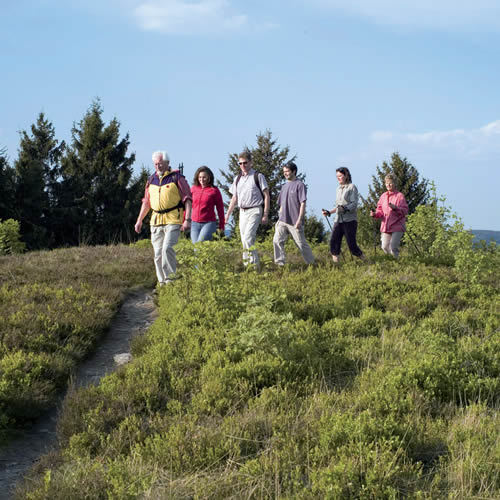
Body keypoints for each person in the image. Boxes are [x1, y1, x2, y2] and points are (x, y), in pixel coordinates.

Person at [134, 151, 192, 285]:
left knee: (168, 249)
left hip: (173, 219)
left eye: (160, 163)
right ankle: (162, 284)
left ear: (167, 163)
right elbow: (146, 202)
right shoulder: (151, 180)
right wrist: (139, 220)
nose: (158, 166)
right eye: (155, 164)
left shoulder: (177, 178)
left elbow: (188, 200)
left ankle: (170, 280)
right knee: (158, 254)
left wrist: (187, 219)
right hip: (155, 221)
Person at [225, 151, 270, 267]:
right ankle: (247, 266)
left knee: (248, 237)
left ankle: (255, 266)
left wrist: (265, 214)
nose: (243, 166)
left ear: (251, 162)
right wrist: (227, 215)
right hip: (242, 211)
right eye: (240, 164)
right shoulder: (237, 178)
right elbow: (234, 198)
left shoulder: (258, 176)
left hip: (255, 209)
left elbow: (266, 195)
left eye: (245, 163)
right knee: (244, 240)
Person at [273, 161, 315, 266]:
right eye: (284, 171)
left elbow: (302, 203)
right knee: (277, 241)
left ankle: (312, 265)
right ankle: (280, 264)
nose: (285, 173)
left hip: (295, 221)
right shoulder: (284, 186)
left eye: (287, 171)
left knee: (301, 244)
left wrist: (299, 220)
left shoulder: (300, 185)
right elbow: (281, 204)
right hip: (282, 220)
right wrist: (279, 218)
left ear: (294, 171)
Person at [322, 167, 365, 263]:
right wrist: (329, 212)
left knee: (352, 246)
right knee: (333, 242)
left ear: (346, 175)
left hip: (350, 220)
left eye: (340, 176)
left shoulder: (352, 187)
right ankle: (336, 265)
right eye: (337, 176)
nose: (338, 178)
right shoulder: (338, 189)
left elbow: (354, 203)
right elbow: (338, 207)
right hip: (338, 220)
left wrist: (345, 208)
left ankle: (366, 261)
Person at [370, 174, 408, 258]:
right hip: (386, 226)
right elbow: (380, 210)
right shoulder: (383, 196)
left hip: (398, 225)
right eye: (386, 183)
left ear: (395, 183)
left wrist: (396, 208)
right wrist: (375, 214)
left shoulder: (400, 196)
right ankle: (390, 261)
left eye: (390, 183)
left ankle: (396, 263)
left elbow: (405, 211)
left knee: (393, 246)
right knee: (384, 246)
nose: (388, 185)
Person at [190, 166, 225, 243]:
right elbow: (188, 205)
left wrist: (221, 225)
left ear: (209, 177)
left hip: (209, 223)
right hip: (194, 223)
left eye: (204, 177)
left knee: (199, 246)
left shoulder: (214, 191)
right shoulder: (193, 189)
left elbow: (220, 209)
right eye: (200, 177)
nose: (201, 179)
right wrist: (184, 220)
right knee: (196, 248)